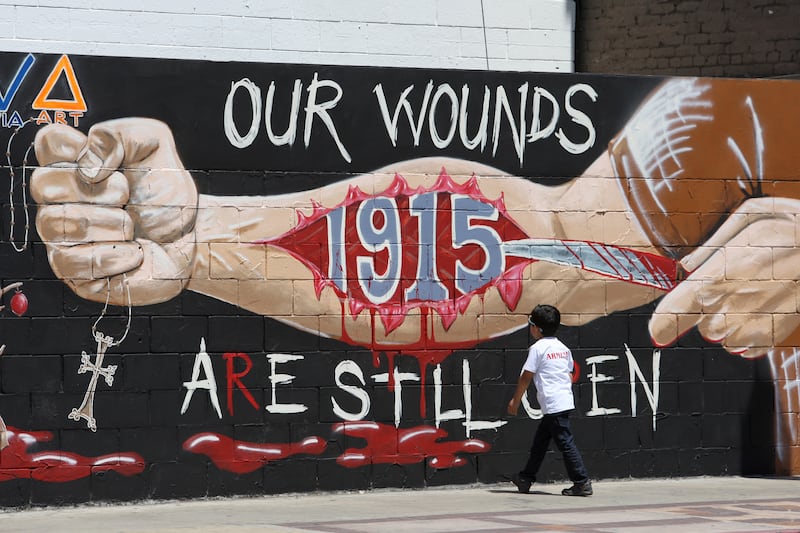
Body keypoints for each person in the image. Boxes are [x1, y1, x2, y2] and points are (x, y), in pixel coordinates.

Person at [506, 304, 592, 496]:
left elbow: (526, 376)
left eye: (531, 324)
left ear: (537, 328)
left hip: (553, 405)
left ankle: (581, 481)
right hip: (561, 403)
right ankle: (525, 478)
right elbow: (569, 374)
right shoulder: (563, 348)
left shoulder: (537, 349)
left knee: (566, 443)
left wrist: (515, 401)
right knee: (540, 443)